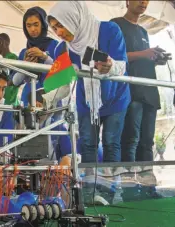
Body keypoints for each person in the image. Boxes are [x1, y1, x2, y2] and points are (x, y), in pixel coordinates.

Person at [47, 1, 130, 164]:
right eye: (54, 28)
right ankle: (89, 187)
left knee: (111, 143)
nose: (58, 32)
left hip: (116, 97)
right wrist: (45, 99)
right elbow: (56, 86)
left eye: (60, 25)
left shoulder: (109, 30)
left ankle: (110, 189)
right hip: (86, 101)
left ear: (74, 17)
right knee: (87, 144)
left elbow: (123, 65)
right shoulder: (62, 49)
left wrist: (110, 66)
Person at [111, 0, 166, 201]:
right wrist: (145, 53)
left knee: (147, 142)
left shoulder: (144, 32)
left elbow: (144, 57)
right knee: (130, 140)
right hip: (130, 92)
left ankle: (149, 187)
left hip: (150, 91)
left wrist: (156, 57)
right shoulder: (115, 25)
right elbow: (114, 58)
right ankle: (129, 189)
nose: (143, 2)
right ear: (127, 1)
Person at [12, 6, 58, 107]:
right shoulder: (24, 52)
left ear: (43, 24)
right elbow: (15, 82)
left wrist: (44, 57)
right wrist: (25, 65)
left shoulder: (54, 45)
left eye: (36, 24)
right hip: (28, 99)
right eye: (28, 26)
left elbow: (63, 73)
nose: (32, 29)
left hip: (50, 98)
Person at [0, 33, 19, 105]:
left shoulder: (12, 57)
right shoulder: (5, 59)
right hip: (5, 99)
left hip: (9, 100)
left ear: (1, 43)